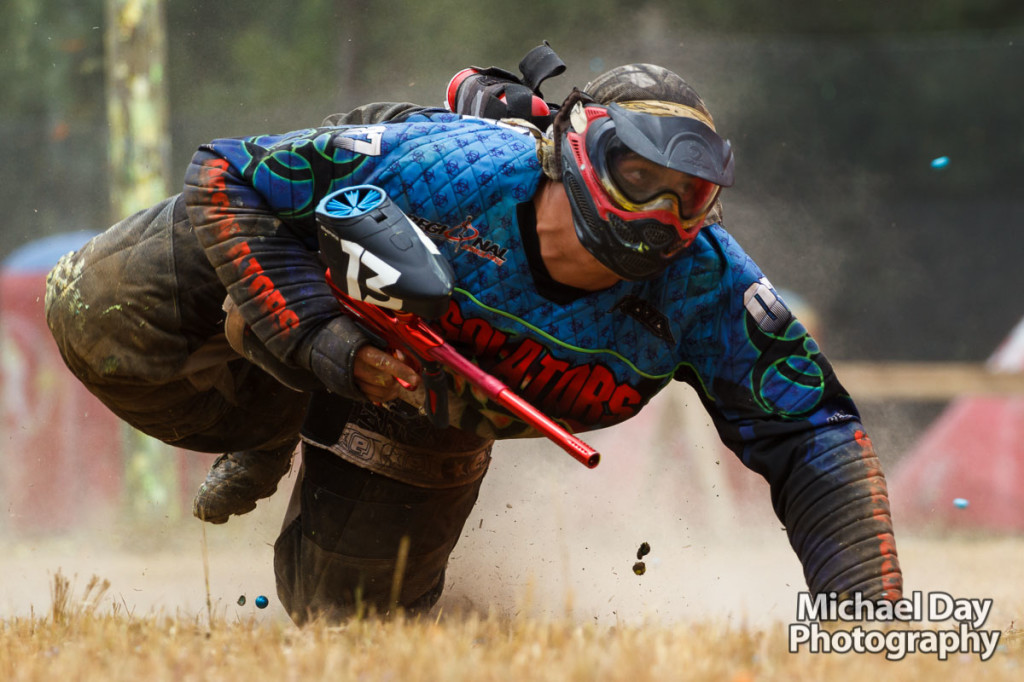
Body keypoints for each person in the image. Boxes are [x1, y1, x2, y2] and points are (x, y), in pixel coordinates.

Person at [45, 57, 902, 624]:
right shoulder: (451, 167)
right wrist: (319, 340)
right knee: (95, 312)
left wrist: (871, 620)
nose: (663, 218)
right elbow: (229, 173)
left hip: (426, 408)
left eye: (690, 198)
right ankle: (277, 416)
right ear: (578, 152)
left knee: (356, 632)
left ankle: (307, 400)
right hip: (314, 290)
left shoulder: (710, 285)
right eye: (640, 181)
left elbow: (813, 434)